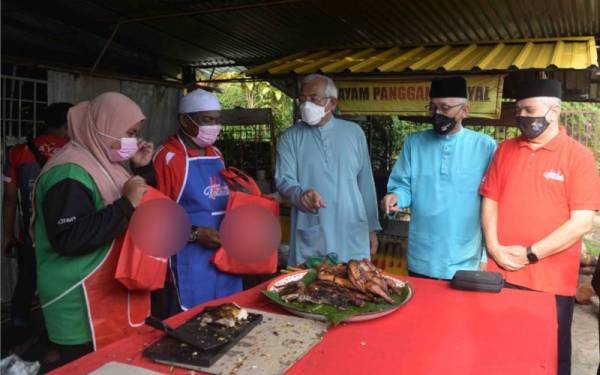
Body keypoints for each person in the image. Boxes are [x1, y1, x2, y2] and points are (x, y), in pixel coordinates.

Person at [480, 79, 600, 375]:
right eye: (519, 109)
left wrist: (530, 254)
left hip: (551, 282)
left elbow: (582, 221)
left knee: (548, 356)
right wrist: (494, 247)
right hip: (502, 273)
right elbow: (490, 200)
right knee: (500, 352)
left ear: (554, 110)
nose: (522, 116)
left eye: (529, 109)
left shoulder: (579, 157)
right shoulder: (505, 150)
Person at [31, 92, 155, 369]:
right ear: (103, 128)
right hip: (79, 303)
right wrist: (125, 205)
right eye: (129, 133)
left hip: (109, 295)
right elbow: (68, 238)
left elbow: (144, 207)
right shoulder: (68, 172)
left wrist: (141, 170)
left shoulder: (106, 165)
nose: (132, 141)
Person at [381, 77, 496, 280]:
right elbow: (403, 185)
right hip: (422, 255)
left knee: (459, 312)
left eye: (445, 107)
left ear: (464, 110)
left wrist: (486, 254)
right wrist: (395, 196)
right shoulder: (414, 143)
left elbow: (492, 202)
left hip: (465, 257)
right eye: (433, 107)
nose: (437, 114)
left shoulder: (485, 146)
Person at [275, 74, 381, 266]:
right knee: (311, 289)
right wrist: (300, 194)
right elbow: (284, 181)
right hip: (313, 229)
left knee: (354, 286)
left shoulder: (354, 133)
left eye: (313, 99)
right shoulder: (289, 138)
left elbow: (365, 182)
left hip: (352, 230)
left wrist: (371, 228)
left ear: (332, 103)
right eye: (302, 99)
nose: (306, 105)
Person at [153, 88, 241, 314]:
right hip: (188, 261)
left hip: (224, 257)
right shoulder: (167, 158)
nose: (214, 127)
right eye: (206, 120)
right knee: (192, 323)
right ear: (184, 120)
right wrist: (194, 234)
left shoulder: (216, 154)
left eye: (217, 120)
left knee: (228, 316)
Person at [2, 102, 72, 333]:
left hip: (29, 235)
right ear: (67, 124)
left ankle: (19, 326)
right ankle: (57, 331)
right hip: (64, 234)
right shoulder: (75, 151)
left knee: (26, 281)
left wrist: (7, 234)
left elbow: (10, 198)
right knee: (62, 284)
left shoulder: (18, 152)